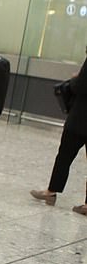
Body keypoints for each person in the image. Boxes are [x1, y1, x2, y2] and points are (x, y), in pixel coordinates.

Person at [30, 55, 87, 216]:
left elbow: (81, 86)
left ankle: (51, 191)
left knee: (64, 156)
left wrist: (75, 78)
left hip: (80, 119)